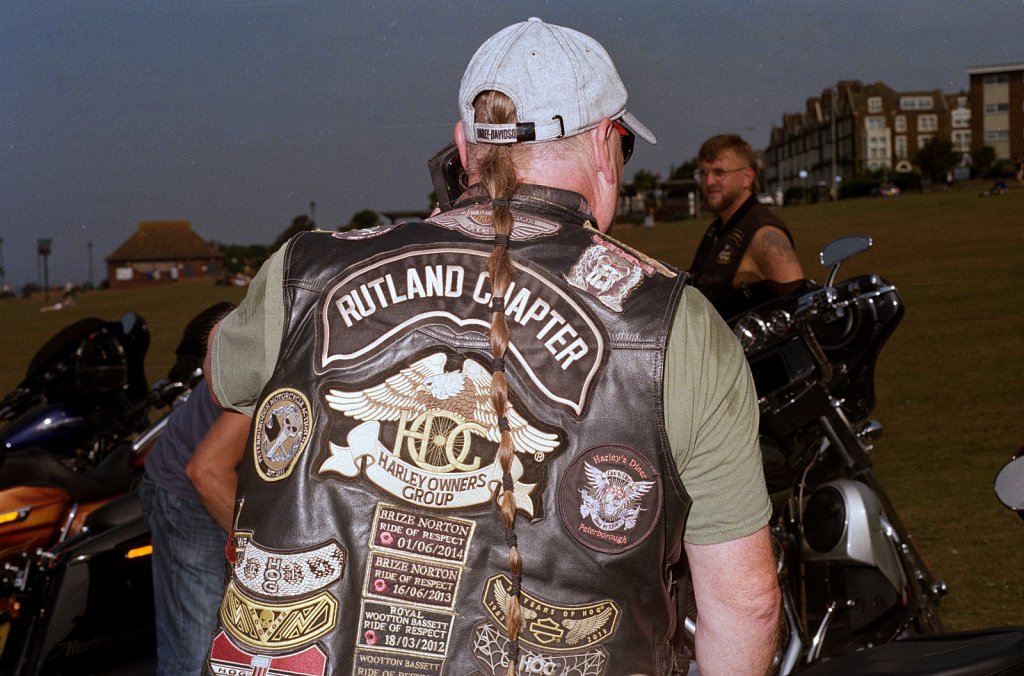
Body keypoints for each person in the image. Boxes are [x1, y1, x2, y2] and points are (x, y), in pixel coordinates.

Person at [203, 18, 779, 676]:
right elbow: (746, 606)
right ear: (603, 145)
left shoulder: (302, 271)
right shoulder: (677, 325)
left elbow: (224, 365)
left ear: (462, 147)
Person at [140, 302, 249, 676]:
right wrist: (264, 556)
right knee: (198, 651)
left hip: (219, 481)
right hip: (188, 495)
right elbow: (205, 472)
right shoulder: (277, 364)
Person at [688, 134, 804, 302]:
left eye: (719, 172)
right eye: (703, 173)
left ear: (748, 177)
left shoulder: (764, 233)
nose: (709, 181)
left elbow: (796, 302)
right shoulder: (719, 227)